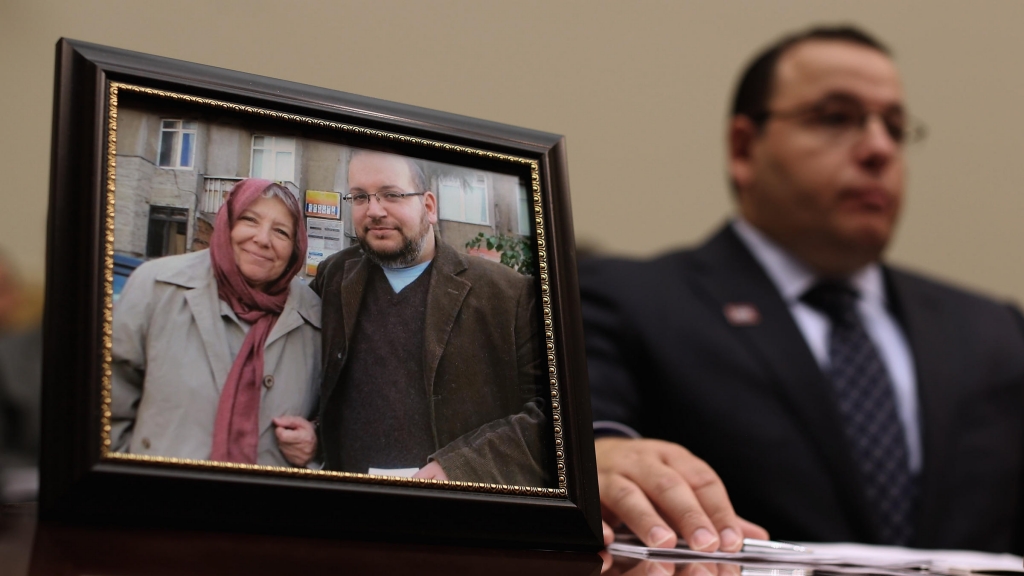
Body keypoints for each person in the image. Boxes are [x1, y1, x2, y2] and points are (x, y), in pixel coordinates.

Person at [580, 26, 1024, 553]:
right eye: (836, 118)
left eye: (896, 127)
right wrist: (600, 454)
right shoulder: (625, 300)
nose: (879, 148)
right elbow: (588, 445)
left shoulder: (995, 330)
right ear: (744, 148)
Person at [308, 149, 551, 487]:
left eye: (392, 195)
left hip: (455, 518)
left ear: (429, 206)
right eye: (360, 197)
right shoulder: (334, 276)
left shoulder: (508, 294)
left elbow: (551, 417)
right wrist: (311, 430)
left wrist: (461, 468)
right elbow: (311, 375)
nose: (374, 210)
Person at [110, 178, 322, 467]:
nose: (262, 238)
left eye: (281, 232)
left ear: (295, 248)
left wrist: (315, 445)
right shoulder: (156, 286)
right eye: (250, 219)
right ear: (227, 223)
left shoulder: (313, 317)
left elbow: (330, 417)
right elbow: (108, 403)